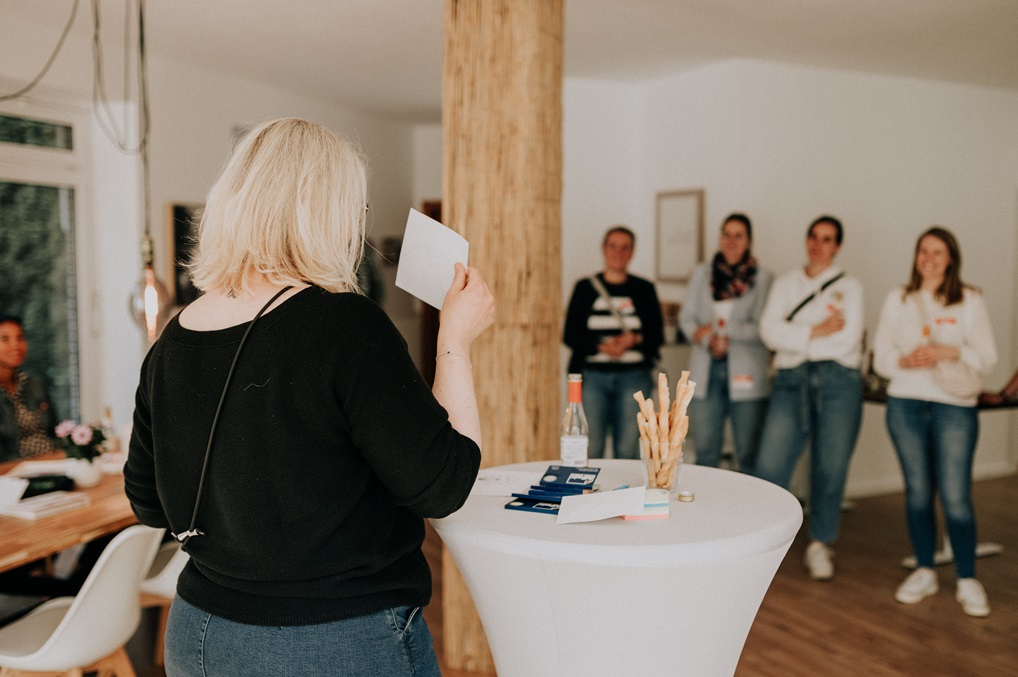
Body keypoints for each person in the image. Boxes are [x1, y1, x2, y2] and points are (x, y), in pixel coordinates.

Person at [123, 118, 495, 676]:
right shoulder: (346, 326)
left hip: (199, 634)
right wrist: (455, 342)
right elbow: (443, 485)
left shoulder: (173, 339)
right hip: (334, 642)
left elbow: (149, 505)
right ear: (327, 212)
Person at [872, 227, 997, 617]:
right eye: (923, 250)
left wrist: (947, 350)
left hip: (953, 406)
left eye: (937, 252)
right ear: (916, 256)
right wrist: (904, 361)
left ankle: (966, 578)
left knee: (956, 495)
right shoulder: (900, 298)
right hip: (906, 404)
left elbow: (987, 357)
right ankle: (925, 569)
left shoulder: (970, 299)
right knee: (919, 492)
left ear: (951, 258)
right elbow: (880, 359)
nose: (929, 258)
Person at [754, 215, 864, 581]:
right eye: (814, 237)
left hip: (839, 383)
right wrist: (817, 331)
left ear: (837, 246)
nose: (819, 244)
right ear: (807, 241)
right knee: (770, 466)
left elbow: (848, 341)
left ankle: (821, 542)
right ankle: (763, 541)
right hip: (791, 380)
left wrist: (797, 337)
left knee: (830, 467)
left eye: (827, 239)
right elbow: (769, 332)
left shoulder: (850, 287)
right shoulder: (787, 283)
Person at [679, 214, 773, 473]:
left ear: (749, 241)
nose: (731, 241)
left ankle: (751, 512)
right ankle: (708, 511)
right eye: (726, 234)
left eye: (738, 235)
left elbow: (764, 328)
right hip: (706, 372)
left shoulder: (763, 278)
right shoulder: (701, 274)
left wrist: (723, 330)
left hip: (746, 374)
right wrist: (710, 339)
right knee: (706, 451)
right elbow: (687, 320)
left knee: (748, 452)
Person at [563, 226, 664, 459]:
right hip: (593, 378)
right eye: (613, 246)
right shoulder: (585, 288)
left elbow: (657, 336)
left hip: (634, 378)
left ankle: (623, 495)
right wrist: (602, 346)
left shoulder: (644, 289)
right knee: (591, 446)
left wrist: (634, 339)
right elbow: (570, 334)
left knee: (628, 448)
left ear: (632, 252)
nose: (618, 252)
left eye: (625, 247)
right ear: (604, 250)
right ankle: (590, 492)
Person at [0, 314, 57, 462]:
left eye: (20, 338)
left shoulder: (35, 385)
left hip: (52, 465)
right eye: (5, 339)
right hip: (13, 475)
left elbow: (56, 433)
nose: (16, 345)